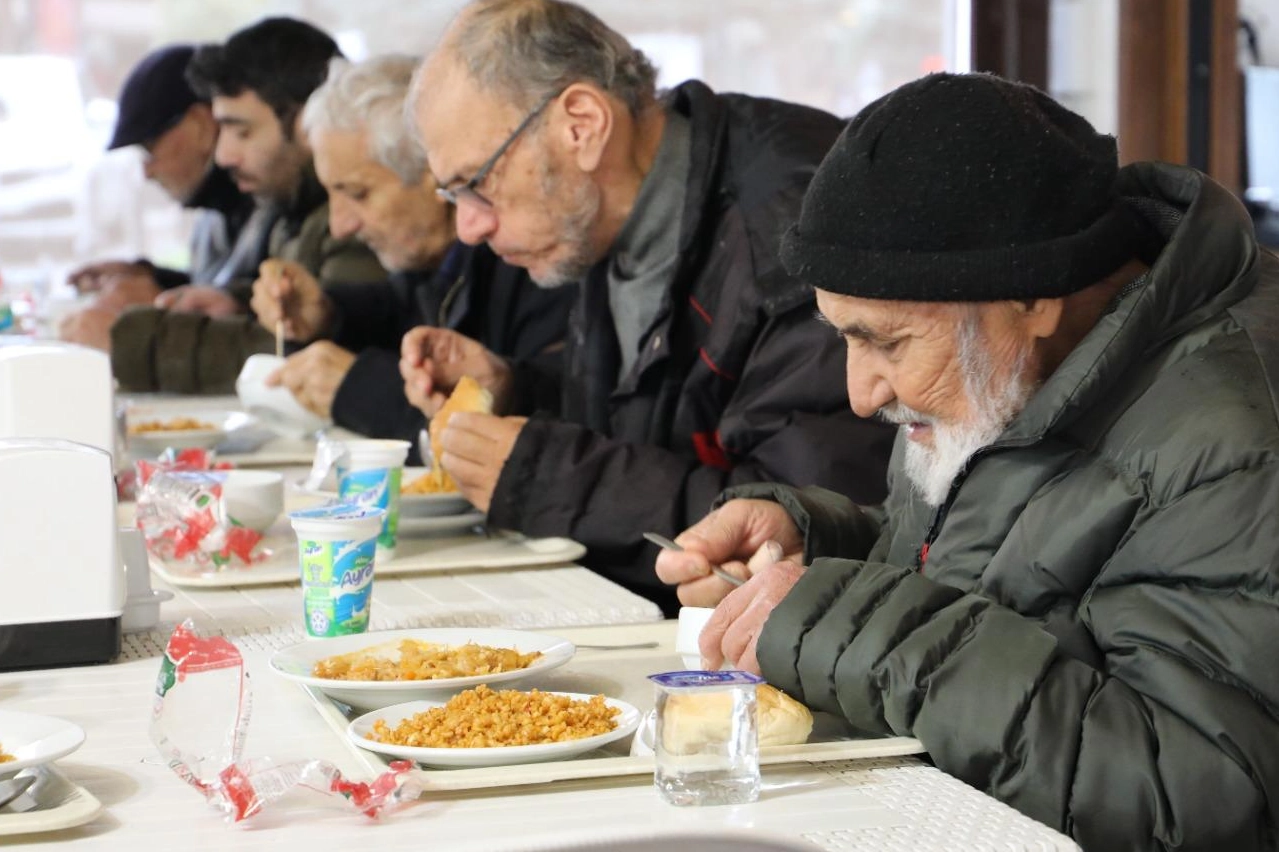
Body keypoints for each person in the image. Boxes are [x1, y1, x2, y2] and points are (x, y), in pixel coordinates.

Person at [657, 72, 1279, 851]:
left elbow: (1195, 799)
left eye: (881, 341)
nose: (858, 395)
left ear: (1034, 294)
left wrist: (846, 620)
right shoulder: (1011, 359)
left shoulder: (1238, 437)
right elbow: (1009, 571)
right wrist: (814, 553)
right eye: (842, 335)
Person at [400, 0, 894, 613]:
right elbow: (667, 415)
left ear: (581, 124)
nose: (468, 227)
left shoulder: (791, 231)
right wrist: (517, 390)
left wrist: (546, 475)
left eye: (477, 182)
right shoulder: (606, 208)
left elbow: (808, 521)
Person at [248, 55, 575, 453]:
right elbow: (399, 307)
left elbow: (554, 428)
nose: (339, 226)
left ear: (434, 171)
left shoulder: (539, 261)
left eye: (357, 194)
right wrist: (327, 315)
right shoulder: (436, 263)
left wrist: (361, 390)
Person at [110, 17, 385, 395]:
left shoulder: (353, 222)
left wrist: (128, 341)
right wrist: (237, 303)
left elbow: (321, 353)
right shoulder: (288, 210)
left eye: (242, 131)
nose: (222, 155)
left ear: (308, 124)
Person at [58, 44, 271, 351]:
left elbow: (268, 330)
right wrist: (153, 279)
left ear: (199, 125)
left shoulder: (273, 202)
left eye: (150, 149)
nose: (146, 171)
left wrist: (140, 333)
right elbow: (224, 293)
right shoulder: (212, 216)